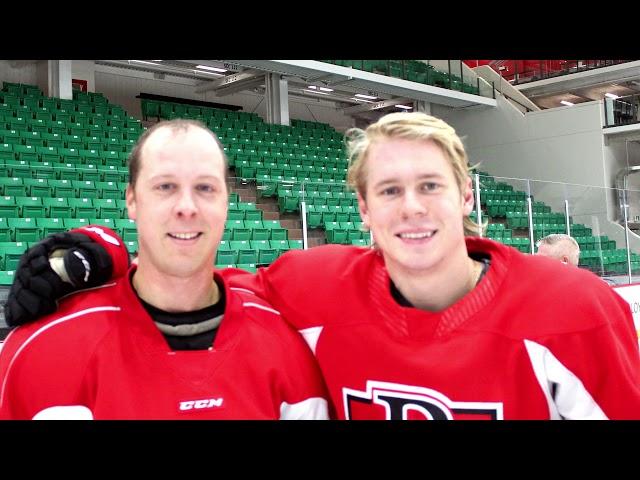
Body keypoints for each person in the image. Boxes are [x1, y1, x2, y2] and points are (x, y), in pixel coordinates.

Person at [6, 112, 640, 419]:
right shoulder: (317, 288)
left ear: (467, 194)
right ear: (362, 207)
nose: (411, 208)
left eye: (431, 185)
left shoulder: (575, 313)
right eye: (389, 191)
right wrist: (99, 251)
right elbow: (190, 278)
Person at [0, 119, 329, 420]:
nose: (186, 207)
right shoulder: (41, 352)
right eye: (165, 187)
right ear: (131, 200)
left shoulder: (286, 348)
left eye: (205, 188)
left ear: (227, 203)